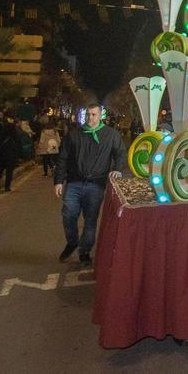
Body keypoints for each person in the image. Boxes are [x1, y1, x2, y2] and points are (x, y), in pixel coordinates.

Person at [54, 104, 125, 265]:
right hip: (74, 183)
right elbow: (63, 158)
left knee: (90, 220)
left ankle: (84, 251)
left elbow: (120, 153)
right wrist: (58, 181)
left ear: (100, 116)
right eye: (88, 115)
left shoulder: (111, 135)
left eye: (94, 115)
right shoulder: (74, 135)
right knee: (68, 215)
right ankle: (72, 241)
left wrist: (117, 169)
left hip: (96, 185)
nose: (90, 118)